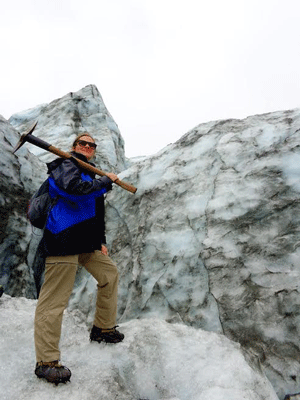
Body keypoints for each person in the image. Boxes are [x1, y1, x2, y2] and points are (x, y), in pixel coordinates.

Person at [34, 133, 124, 385]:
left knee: (109, 275)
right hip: (62, 239)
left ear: (93, 150)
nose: (86, 146)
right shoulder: (65, 165)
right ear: (74, 147)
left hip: (86, 242)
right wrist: (106, 181)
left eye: (91, 144)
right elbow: (74, 192)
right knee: (54, 301)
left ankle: (102, 329)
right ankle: (46, 361)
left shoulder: (88, 173)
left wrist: (100, 242)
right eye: (82, 143)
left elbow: (96, 212)